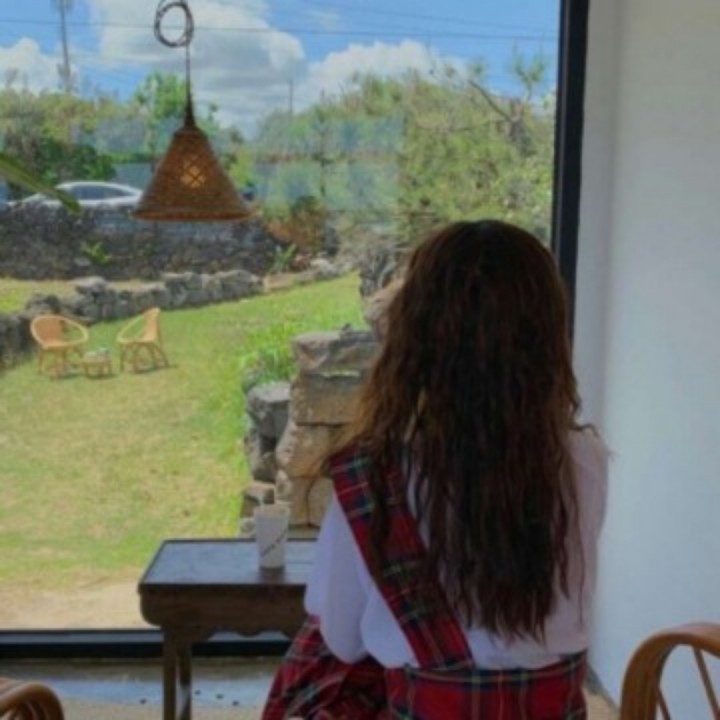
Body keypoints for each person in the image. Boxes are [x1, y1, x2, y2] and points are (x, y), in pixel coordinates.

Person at [262, 219, 608, 719]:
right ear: (547, 335)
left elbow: (341, 638)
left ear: (416, 339)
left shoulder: (377, 475)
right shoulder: (583, 458)